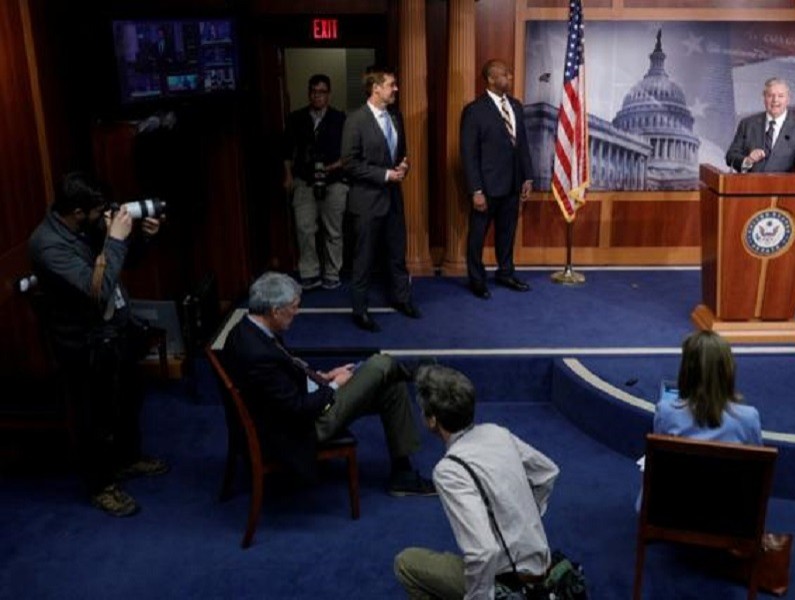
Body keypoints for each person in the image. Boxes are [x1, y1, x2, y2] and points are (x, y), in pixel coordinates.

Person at [28, 171, 170, 517]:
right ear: (77, 211)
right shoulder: (47, 245)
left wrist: (141, 239)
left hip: (115, 332)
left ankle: (127, 460)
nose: (102, 215)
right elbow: (97, 291)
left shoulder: (83, 225)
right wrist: (117, 240)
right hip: (84, 344)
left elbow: (121, 263)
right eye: (96, 211)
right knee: (95, 416)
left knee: (127, 400)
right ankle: (101, 486)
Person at [221, 271, 435, 496]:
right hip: (301, 428)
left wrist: (323, 377)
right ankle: (414, 372)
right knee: (381, 364)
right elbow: (297, 408)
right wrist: (334, 387)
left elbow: (281, 382)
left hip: (298, 408)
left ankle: (403, 474)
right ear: (275, 311)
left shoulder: (248, 330)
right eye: (293, 307)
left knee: (391, 385)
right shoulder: (257, 353)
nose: (296, 312)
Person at [395, 365, 559, 599]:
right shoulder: (497, 432)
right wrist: (520, 520)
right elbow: (547, 473)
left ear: (432, 421)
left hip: (507, 581)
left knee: (406, 564)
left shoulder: (448, 470)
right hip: (540, 566)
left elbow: (483, 552)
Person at [637, 330, 762, 511]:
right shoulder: (748, 418)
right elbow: (755, 471)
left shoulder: (666, 411)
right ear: (728, 370)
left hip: (673, 509)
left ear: (686, 371)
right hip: (728, 515)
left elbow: (658, 465)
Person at [341, 66, 420, 332]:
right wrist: (386, 174)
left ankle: (402, 299)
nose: (395, 89)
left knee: (397, 254)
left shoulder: (395, 116)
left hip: (393, 200)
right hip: (366, 202)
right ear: (375, 88)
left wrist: (403, 167)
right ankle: (360, 311)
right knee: (364, 259)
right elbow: (350, 163)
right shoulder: (355, 119)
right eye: (391, 84)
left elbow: (401, 154)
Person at [460, 59, 535, 300]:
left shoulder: (516, 106)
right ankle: (477, 280)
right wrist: (476, 190)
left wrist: (527, 177)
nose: (510, 78)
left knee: (507, 233)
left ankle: (506, 273)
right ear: (491, 79)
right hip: (487, 187)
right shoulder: (474, 110)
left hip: (513, 185)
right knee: (477, 236)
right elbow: (468, 154)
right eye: (505, 74)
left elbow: (522, 145)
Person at [282, 74, 348, 292]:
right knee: (305, 228)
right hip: (304, 179)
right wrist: (289, 176)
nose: (317, 95)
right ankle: (309, 272)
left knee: (333, 230)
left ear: (328, 94)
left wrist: (331, 167)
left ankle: (332, 272)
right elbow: (286, 151)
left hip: (334, 179)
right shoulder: (296, 118)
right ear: (309, 93)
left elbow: (350, 153)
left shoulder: (340, 118)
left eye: (321, 92)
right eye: (313, 91)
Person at [725, 77, 795, 173]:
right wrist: (748, 160)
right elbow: (731, 157)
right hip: (750, 186)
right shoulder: (747, 124)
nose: (775, 100)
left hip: (784, 186)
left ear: (788, 99)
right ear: (764, 97)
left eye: (781, 96)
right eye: (770, 95)